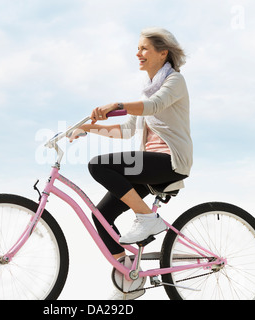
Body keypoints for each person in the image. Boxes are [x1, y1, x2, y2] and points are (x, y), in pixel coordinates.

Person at [69, 27, 193, 299]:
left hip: (170, 162)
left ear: (163, 53)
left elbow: (154, 106)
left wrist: (116, 104)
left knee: (98, 165)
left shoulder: (174, 82)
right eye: (138, 49)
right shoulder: (147, 91)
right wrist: (89, 128)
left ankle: (148, 218)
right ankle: (129, 279)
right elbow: (126, 130)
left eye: (144, 48)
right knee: (101, 216)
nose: (138, 53)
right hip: (148, 169)